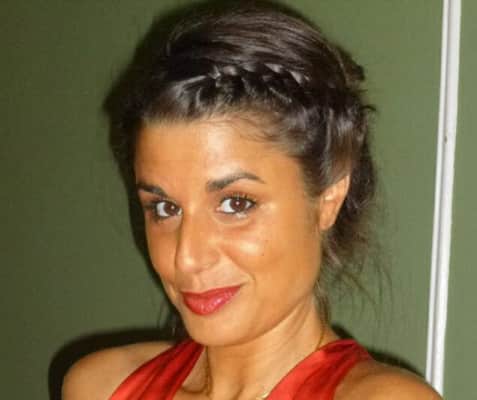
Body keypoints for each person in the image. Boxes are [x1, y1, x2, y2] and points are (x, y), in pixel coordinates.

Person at [62, 2, 442, 399]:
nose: (187, 257)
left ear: (329, 198)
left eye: (235, 204)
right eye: (165, 208)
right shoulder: (101, 387)